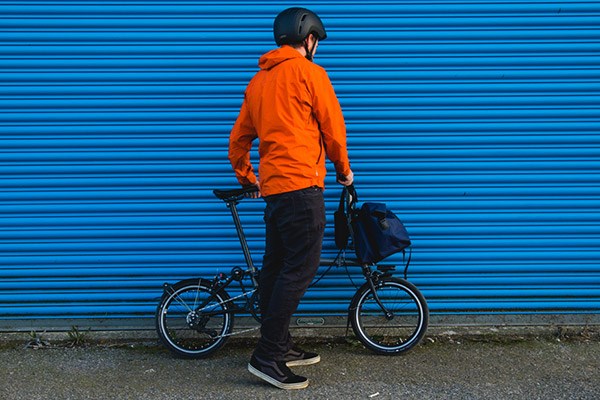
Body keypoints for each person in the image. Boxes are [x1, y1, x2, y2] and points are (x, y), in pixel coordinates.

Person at [228, 7, 353, 390]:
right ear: (309, 39)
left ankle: (279, 345)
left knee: (276, 268)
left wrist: (251, 179)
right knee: (299, 270)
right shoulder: (310, 74)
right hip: (303, 189)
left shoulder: (258, 82)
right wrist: (344, 171)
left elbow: (237, 142)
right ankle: (267, 356)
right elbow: (333, 129)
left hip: (277, 192)